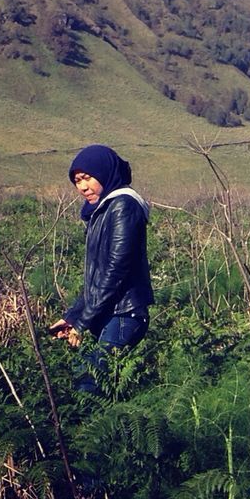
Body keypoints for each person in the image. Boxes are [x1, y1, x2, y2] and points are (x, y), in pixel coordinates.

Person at [51, 144, 154, 389]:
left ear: (105, 172)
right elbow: (97, 279)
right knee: (92, 381)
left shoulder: (123, 205)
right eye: (77, 181)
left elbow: (115, 271)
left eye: (87, 178)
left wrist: (83, 323)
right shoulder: (101, 210)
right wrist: (72, 317)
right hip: (110, 314)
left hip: (123, 315)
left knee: (89, 384)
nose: (83, 187)